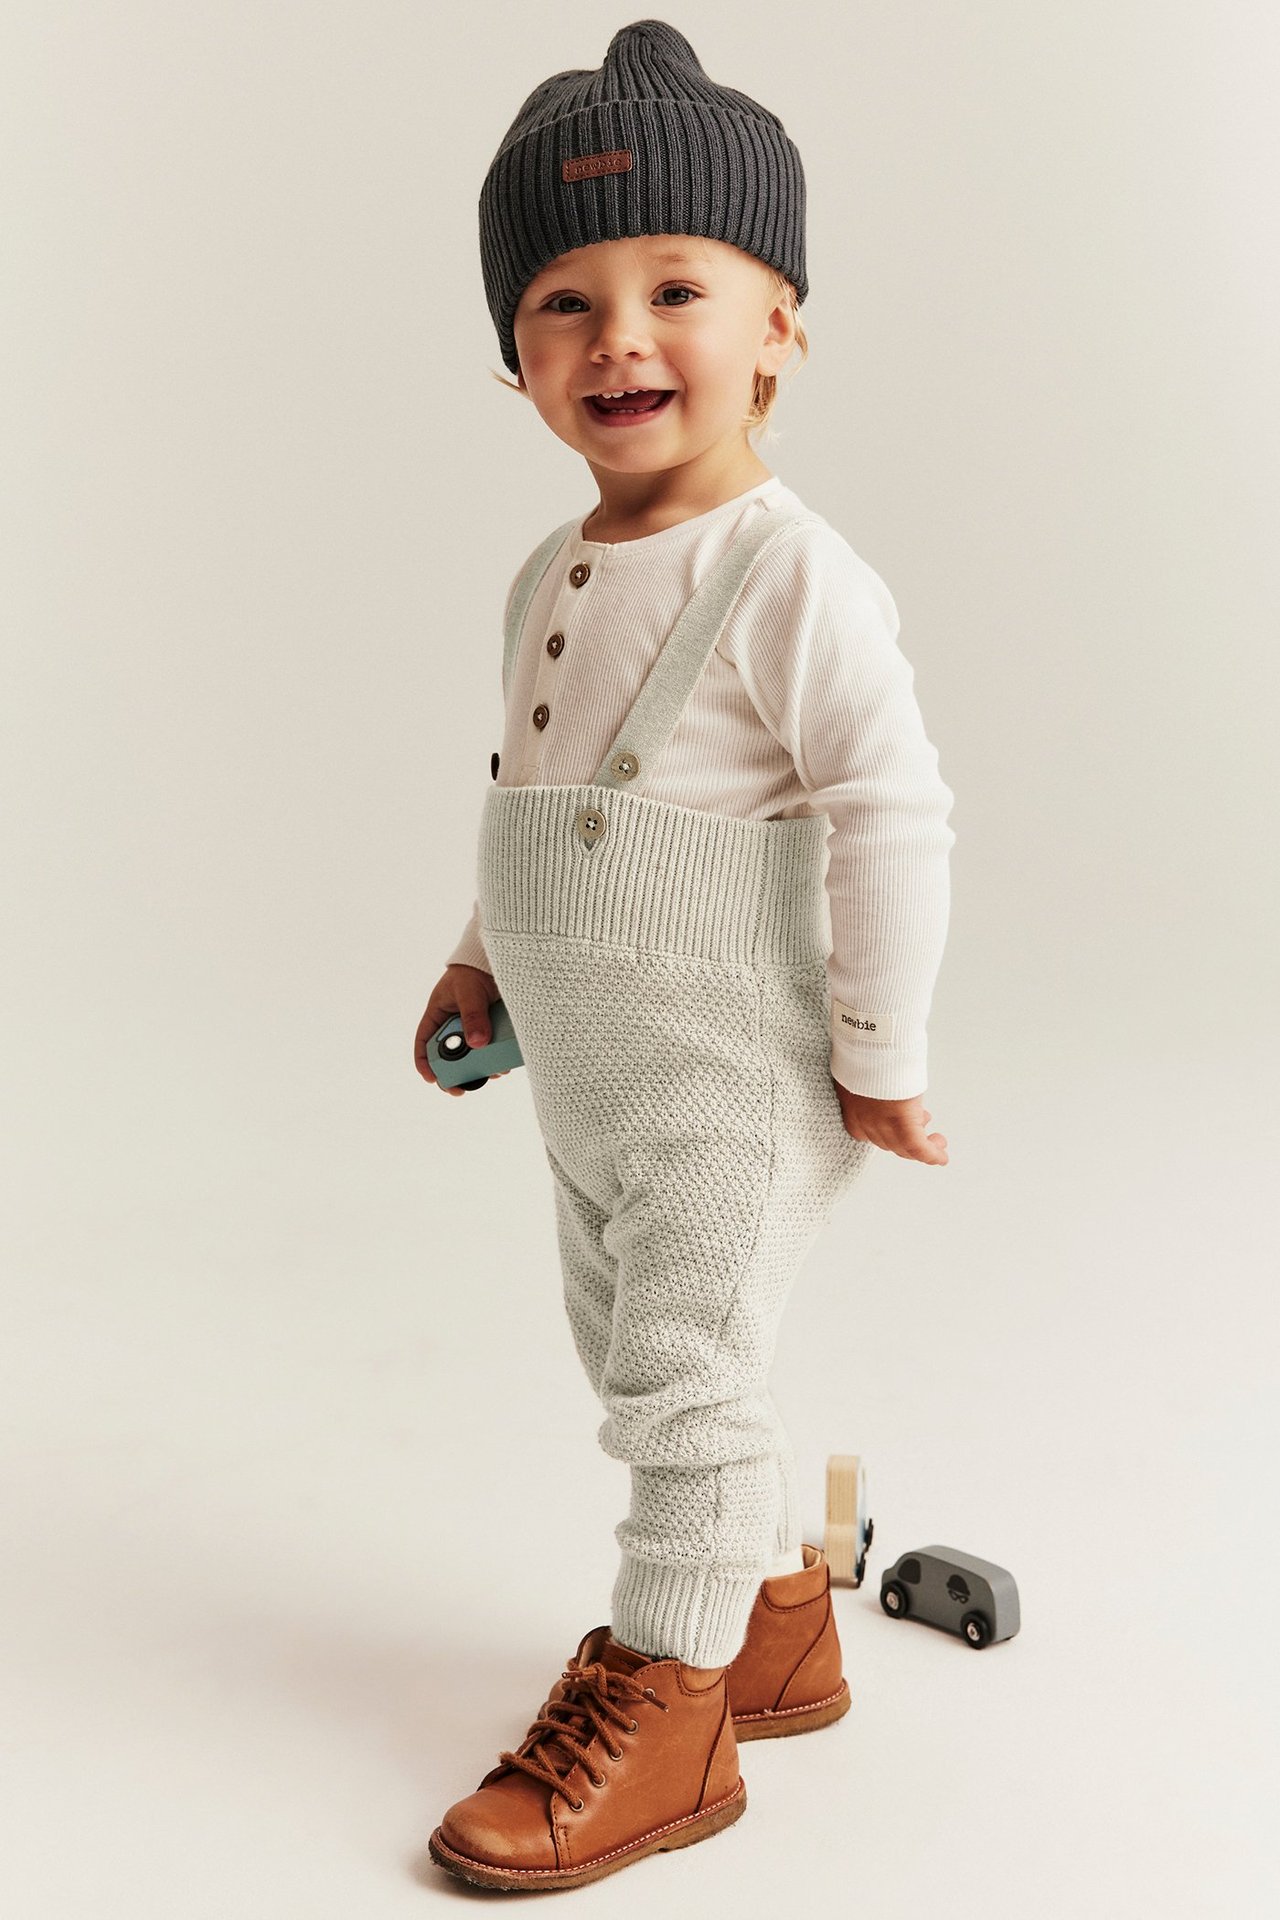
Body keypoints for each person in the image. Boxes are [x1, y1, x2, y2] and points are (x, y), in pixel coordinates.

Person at [415, 19, 956, 1893]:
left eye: (676, 285)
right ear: (518, 365)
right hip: (585, 1057)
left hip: (732, 1060)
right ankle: (779, 1621)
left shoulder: (796, 573)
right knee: (632, 1338)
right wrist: (482, 959)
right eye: (562, 300)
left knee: (678, 1377)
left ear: (781, 328)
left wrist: (878, 1048)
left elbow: (890, 807)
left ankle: (668, 1697)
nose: (619, 335)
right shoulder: (548, 572)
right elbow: (534, 786)